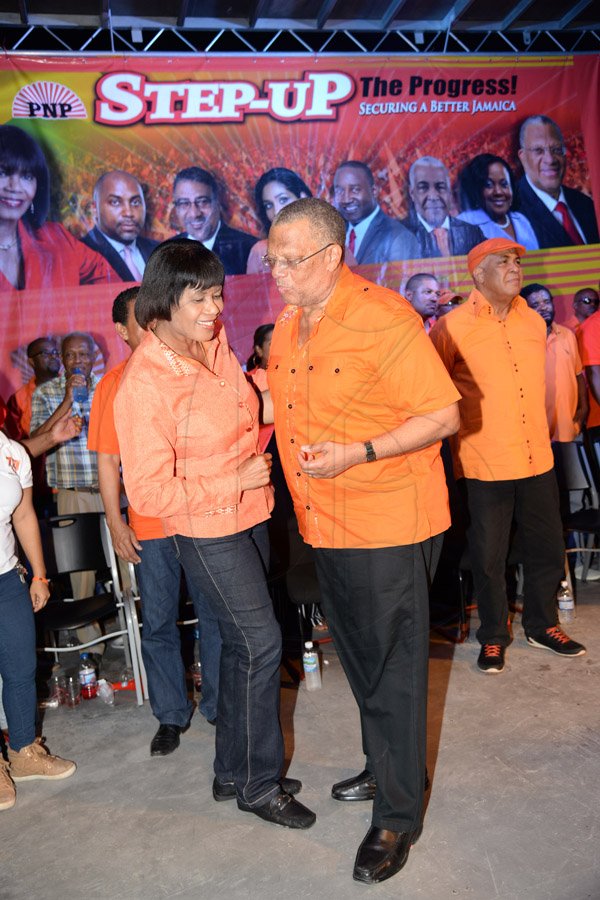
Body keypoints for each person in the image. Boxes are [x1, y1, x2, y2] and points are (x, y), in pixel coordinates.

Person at [265, 197, 460, 883]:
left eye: (291, 262)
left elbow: (442, 413)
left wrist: (360, 451)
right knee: (360, 660)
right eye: (272, 260)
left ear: (330, 255)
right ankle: (384, 766)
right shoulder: (289, 326)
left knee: (396, 669)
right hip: (325, 523)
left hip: (386, 520)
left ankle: (398, 817)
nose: (278, 274)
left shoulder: (384, 318)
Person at [114, 239, 314, 828]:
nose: (214, 309)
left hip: (251, 513)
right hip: (205, 529)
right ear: (165, 300)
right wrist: (233, 479)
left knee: (235, 646)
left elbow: (247, 409)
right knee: (261, 643)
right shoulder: (143, 382)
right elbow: (148, 493)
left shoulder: (216, 347)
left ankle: (233, 771)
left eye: (218, 295)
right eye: (200, 298)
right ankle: (259, 784)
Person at [430, 238, 586, 674]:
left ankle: (542, 625)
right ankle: (494, 636)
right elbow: (434, 392)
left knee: (547, 547)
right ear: (478, 273)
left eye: (517, 260)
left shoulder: (534, 322)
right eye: (504, 261)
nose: (515, 267)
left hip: (537, 454)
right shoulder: (451, 327)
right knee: (489, 555)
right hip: (484, 458)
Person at [87, 287, 222, 753]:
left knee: (215, 616)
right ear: (123, 331)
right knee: (159, 620)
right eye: (139, 322)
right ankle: (170, 713)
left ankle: (221, 706)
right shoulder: (114, 384)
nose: (150, 328)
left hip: (202, 514)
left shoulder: (194, 365)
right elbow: (108, 463)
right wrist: (115, 522)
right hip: (149, 524)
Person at [0, 426, 76, 812]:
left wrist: (40, 574)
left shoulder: (12, 452)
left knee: (21, 668)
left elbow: (25, 515)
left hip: (7, 577)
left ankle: (23, 751)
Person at [30, 332, 104, 651]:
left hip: (112, 489)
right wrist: (67, 401)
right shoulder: (46, 392)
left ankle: (133, 635)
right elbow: (36, 439)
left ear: (92, 357)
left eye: (83, 355)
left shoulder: (106, 387)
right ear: (62, 359)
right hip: (73, 492)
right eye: (71, 355)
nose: (78, 361)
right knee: (82, 575)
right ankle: (93, 646)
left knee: (129, 567)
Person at [0, 125, 118, 291]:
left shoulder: (57, 238)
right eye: (2, 173)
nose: (15, 187)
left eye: (27, 176)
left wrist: (77, 313)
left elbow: (110, 283)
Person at [517, 115, 599, 248]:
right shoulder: (510, 211)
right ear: (523, 157)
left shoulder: (586, 205)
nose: (550, 160)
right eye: (538, 151)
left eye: (556, 150)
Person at [172, 167, 256, 275]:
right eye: (184, 203)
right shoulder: (165, 253)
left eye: (203, 202)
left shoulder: (249, 250)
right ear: (176, 208)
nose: (194, 214)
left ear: (217, 203)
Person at [332, 161, 419, 264]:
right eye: (340, 191)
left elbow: (402, 279)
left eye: (355, 190)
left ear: (374, 191)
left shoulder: (399, 237)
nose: (346, 199)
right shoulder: (332, 235)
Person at [82, 171, 159, 281]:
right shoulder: (81, 255)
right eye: (115, 202)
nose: (128, 213)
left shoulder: (160, 252)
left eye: (135, 202)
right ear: (94, 209)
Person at [401, 156, 484, 258]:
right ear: (412, 193)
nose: (433, 196)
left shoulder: (472, 233)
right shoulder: (398, 236)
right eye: (423, 188)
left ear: (449, 192)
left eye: (440, 187)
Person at [457, 153, 539, 250]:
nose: (498, 192)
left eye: (504, 184)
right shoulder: (465, 223)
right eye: (489, 185)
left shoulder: (521, 220)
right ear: (477, 189)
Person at [246, 169, 312, 274]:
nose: (276, 211)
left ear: (303, 198)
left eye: (283, 200)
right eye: (268, 205)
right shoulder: (260, 252)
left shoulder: (330, 245)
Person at [245, 323, 275, 451]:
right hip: (264, 453)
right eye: (273, 343)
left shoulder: (298, 375)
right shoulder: (246, 381)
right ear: (259, 350)